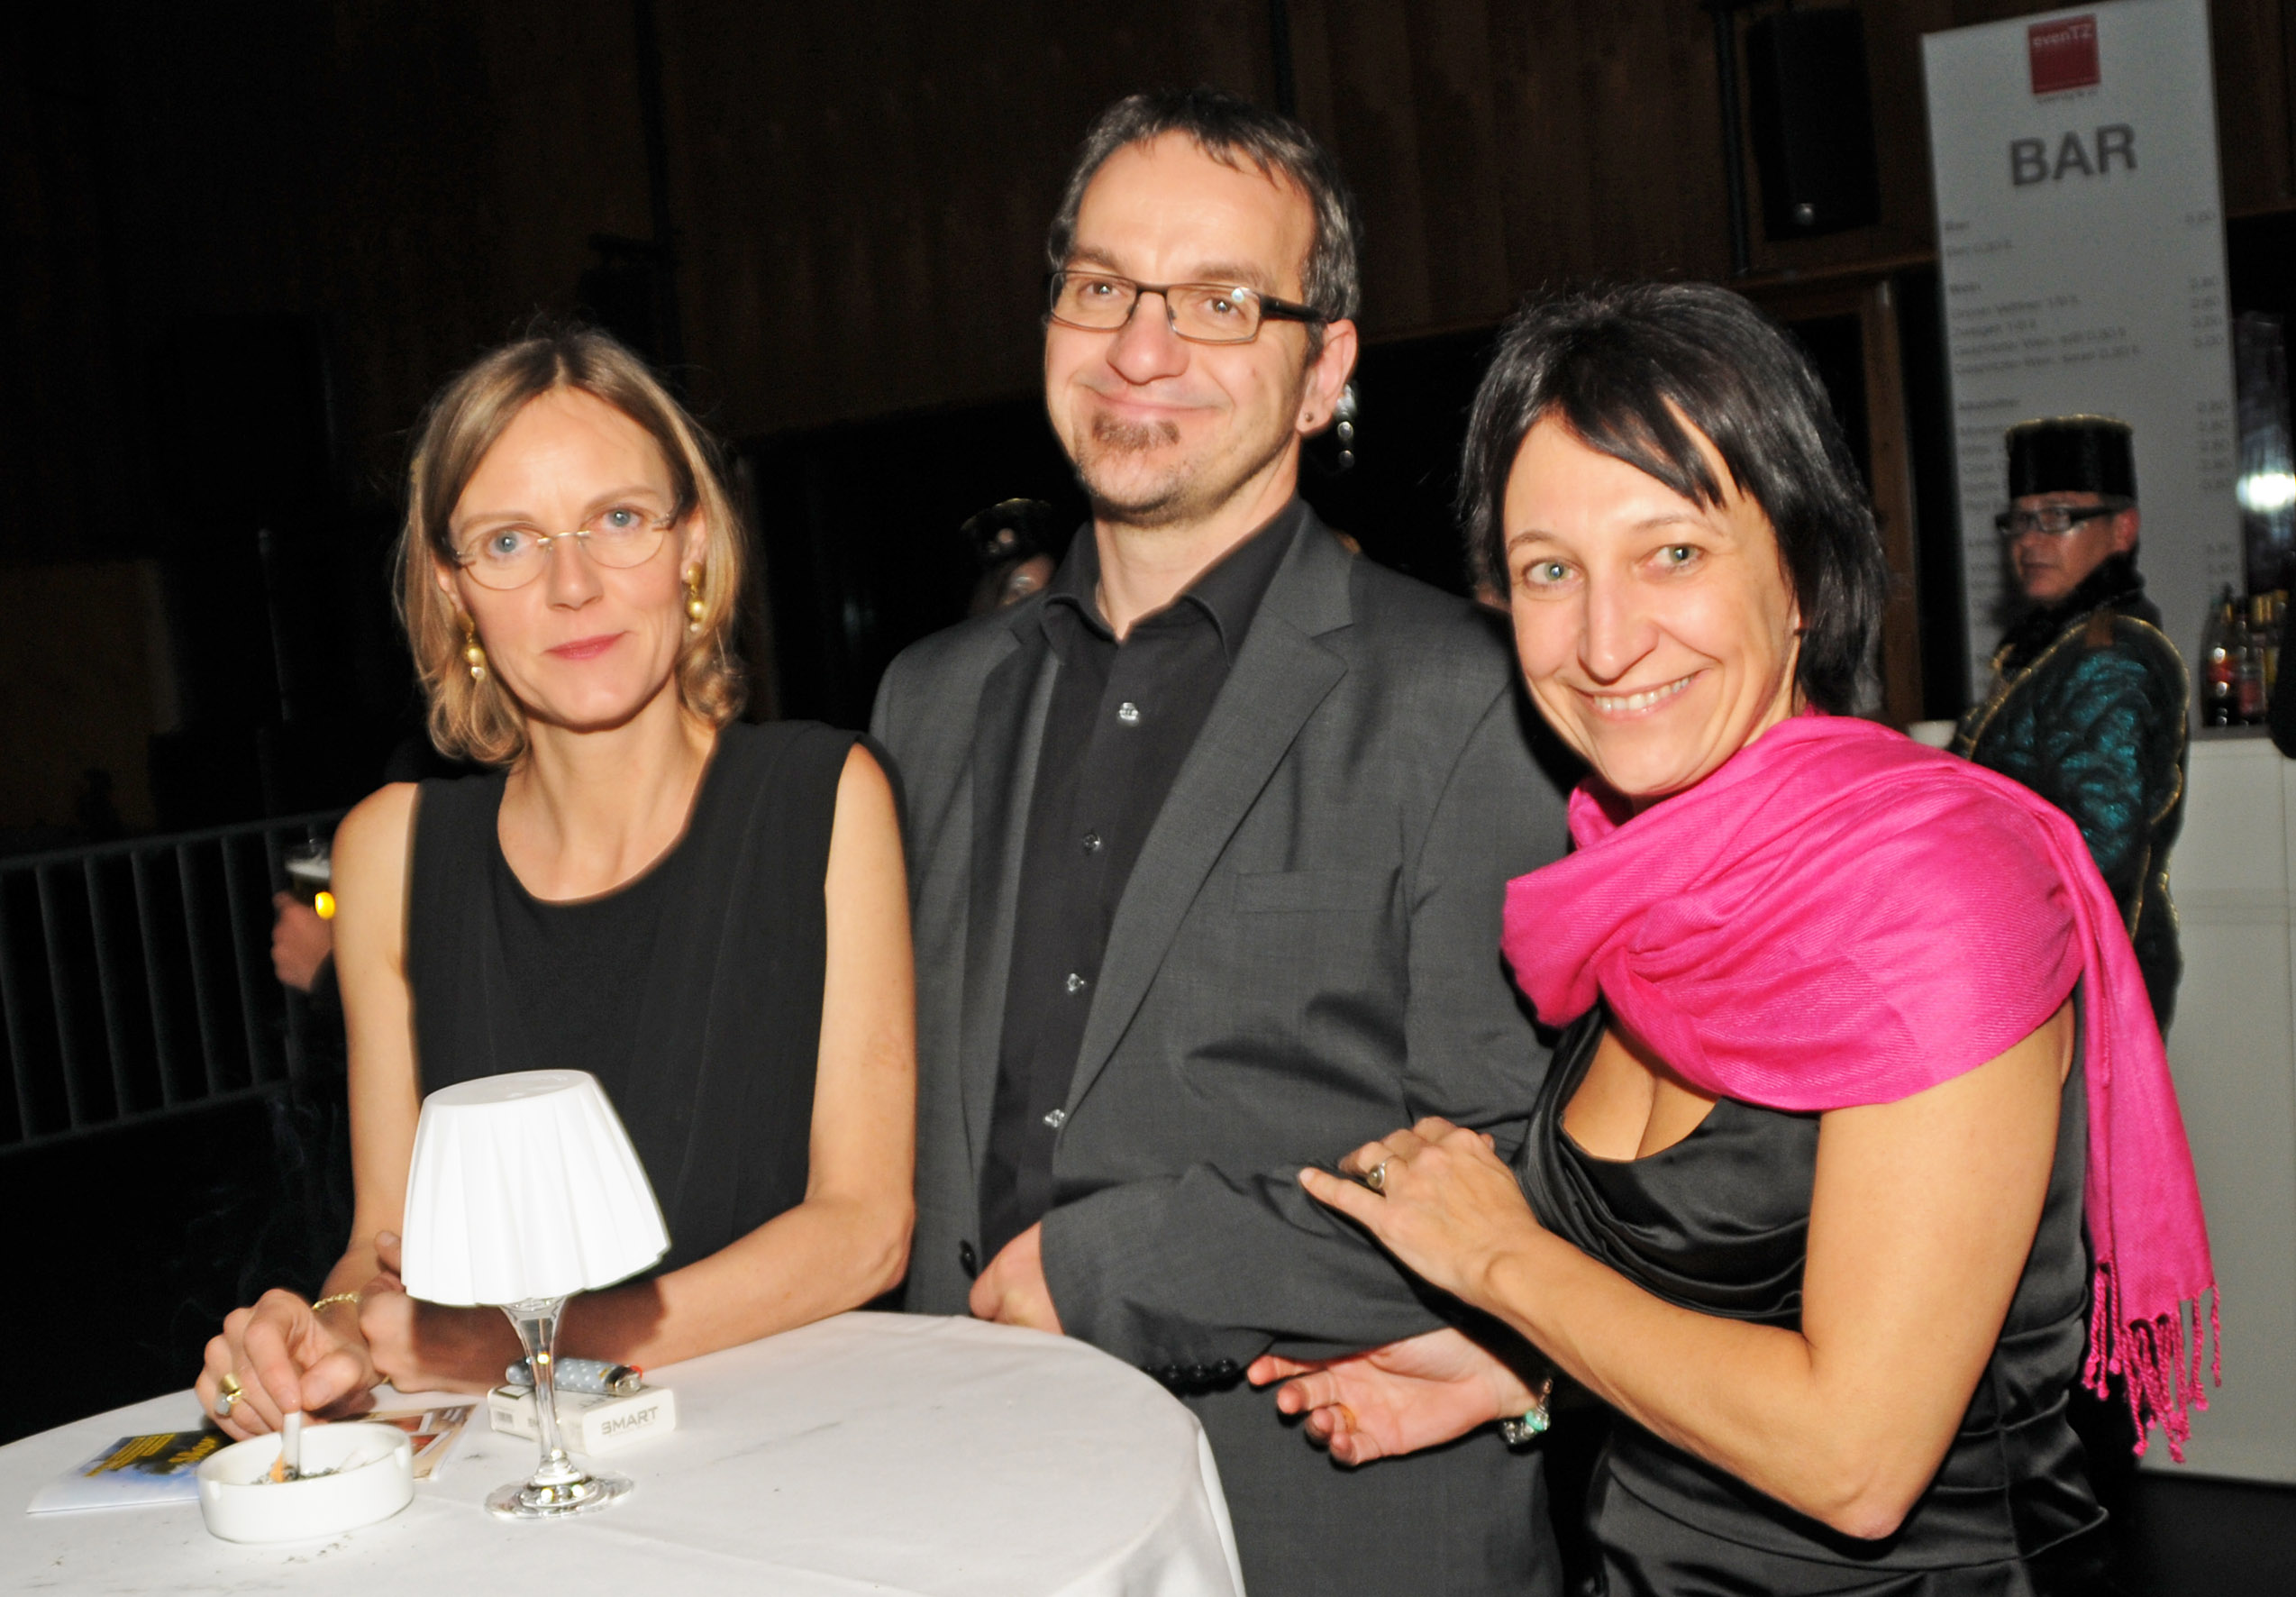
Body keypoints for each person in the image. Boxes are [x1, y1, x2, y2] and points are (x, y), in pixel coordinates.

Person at [1251, 285, 2217, 1595]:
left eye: (1672, 553)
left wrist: (1501, 1261)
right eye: (1549, 571)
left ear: (1802, 572)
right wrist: (1518, 1370)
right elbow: (1715, 1314)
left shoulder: (1939, 893)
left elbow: (1856, 1456)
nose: (1604, 643)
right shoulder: (1641, 872)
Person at [870, 89, 1570, 1596]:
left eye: (1220, 302)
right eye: (1101, 286)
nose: (1141, 349)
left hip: (1315, 1509)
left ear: (1324, 370)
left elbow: (1517, 1168)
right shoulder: (926, 701)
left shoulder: (1465, 695)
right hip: (959, 1499)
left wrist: (1114, 1266)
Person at [198, 327, 916, 1437]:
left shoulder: (822, 797)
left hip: (794, 1445)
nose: (572, 585)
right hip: (516, 1476)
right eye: (509, 541)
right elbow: (381, 1245)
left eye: (618, 519)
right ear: (453, 589)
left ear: (692, 542)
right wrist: (323, 1332)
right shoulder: (391, 848)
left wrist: (522, 1343)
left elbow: (864, 1230)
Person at [1952, 416, 2188, 1029]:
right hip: (2058, 964)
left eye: (2057, 517)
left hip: (2083, 975)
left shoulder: (2109, 658)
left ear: (2123, 529)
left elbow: (2099, 847)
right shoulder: (2058, 645)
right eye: (2020, 520)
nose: (2030, 540)